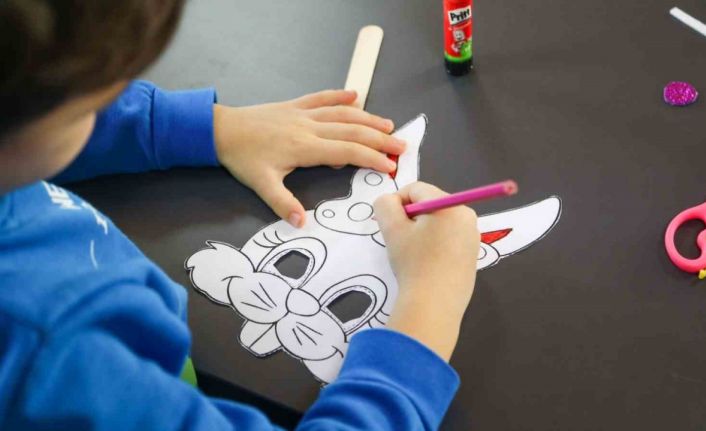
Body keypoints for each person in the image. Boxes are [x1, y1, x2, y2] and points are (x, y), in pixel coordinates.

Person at [0, 1, 480, 429]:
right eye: (93, 103)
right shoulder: (56, 356)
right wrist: (428, 309)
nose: (112, 102)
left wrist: (203, 128)